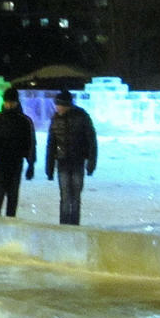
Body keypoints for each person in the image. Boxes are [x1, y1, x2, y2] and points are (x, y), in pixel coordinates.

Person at [46, 90, 97, 226]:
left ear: (66, 105)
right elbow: (51, 143)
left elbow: (92, 141)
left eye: (59, 105)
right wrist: (49, 166)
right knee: (65, 197)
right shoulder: (55, 118)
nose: (57, 107)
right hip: (62, 162)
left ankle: (74, 225)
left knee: (75, 197)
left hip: (77, 162)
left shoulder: (82, 117)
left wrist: (91, 162)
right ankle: (64, 225)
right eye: (56, 105)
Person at [0, 88, 36, 217]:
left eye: (12, 102)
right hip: (0, 161)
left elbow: (30, 142)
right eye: (7, 102)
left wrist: (31, 164)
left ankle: (10, 222)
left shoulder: (25, 121)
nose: (9, 104)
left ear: (17, 102)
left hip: (16, 162)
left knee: (12, 196)